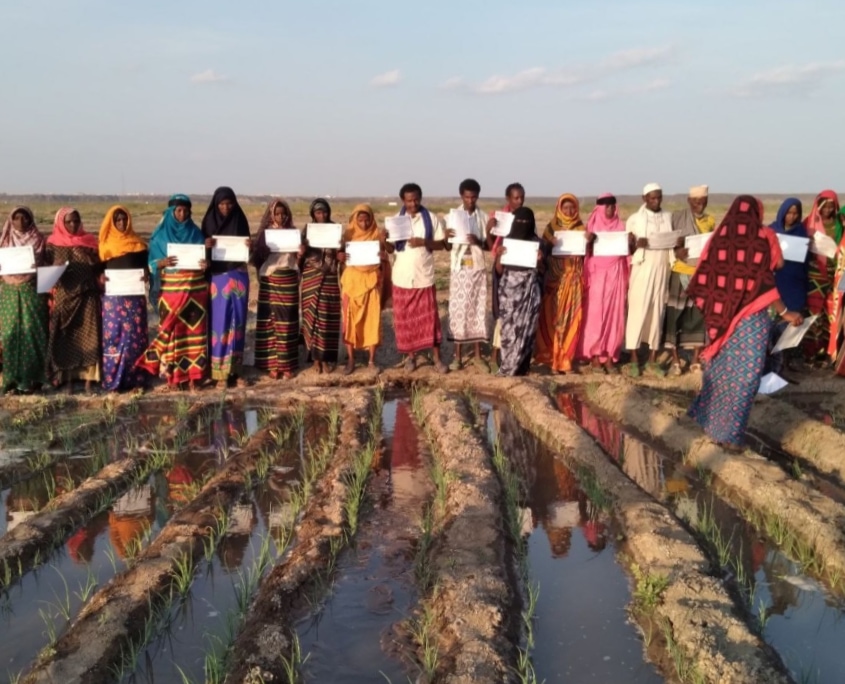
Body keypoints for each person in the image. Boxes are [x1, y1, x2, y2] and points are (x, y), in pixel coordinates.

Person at [687, 195, 802, 452]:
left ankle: (715, 429)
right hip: (752, 320)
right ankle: (728, 433)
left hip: (722, 320)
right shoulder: (763, 238)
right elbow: (772, 274)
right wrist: (785, 313)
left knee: (721, 374)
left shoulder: (719, 239)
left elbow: (703, 275)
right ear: (758, 214)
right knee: (747, 377)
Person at [137, 194, 208, 391]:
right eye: (178, 210)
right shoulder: (159, 237)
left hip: (195, 293)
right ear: (170, 212)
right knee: (172, 334)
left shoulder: (196, 233)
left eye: (186, 210)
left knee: (193, 333)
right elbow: (151, 265)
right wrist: (161, 263)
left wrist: (205, 264)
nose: (182, 213)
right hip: (170, 293)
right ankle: (174, 377)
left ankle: (194, 376)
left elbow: (203, 262)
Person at [384, 183, 448, 373]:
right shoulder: (395, 220)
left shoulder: (431, 219)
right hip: (402, 278)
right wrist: (383, 240)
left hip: (424, 278)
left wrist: (423, 242)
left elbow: (441, 245)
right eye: (409, 200)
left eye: (416, 199)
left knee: (430, 320)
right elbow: (390, 249)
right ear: (403, 201)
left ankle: (437, 359)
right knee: (406, 321)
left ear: (421, 197)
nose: (413, 203)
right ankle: (411, 358)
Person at [46, 208, 102, 393]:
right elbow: (46, 273)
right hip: (64, 296)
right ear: (61, 223)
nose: (73, 225)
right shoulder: (52, 245)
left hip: (87, 296)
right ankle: (67, 379)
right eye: (68, 222)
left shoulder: (89, 242)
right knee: (66, 338)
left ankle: (89, 380)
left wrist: (91, 261)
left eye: (76, 221)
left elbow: (99, 268)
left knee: (89, 336)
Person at [201, 187, 251, 387]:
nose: (225, 207)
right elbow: (198, 254)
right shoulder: (208, 223)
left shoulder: (241, 221)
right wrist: (205, 247)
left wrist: (250, 246)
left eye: (229, 203)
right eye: (221, 203)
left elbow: (249, 255)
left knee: (237, 324)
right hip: (217, 278)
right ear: (215, 204)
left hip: (239, 276)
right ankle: (219, 373)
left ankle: (236, 372)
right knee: (219, 325)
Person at [251, 199, 305, 380]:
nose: (281, 217)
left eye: (284, 214)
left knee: (287, 323)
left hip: (289, 279)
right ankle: (272, 365)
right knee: (270, 322)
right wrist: (262, 250)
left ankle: (287, 364)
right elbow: (256, 259)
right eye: (277, 214)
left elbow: (297, 262)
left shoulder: (293, 233)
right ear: (271, 214)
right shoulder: (264, 235)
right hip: (270, 279)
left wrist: (300, 254)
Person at [665, 185, 716, 374]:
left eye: (703, 201)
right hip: (680, 272)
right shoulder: (676, 218)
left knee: (698, 317)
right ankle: (675, 361)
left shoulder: (710, 221)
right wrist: (676, 249)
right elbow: (668, 241)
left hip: (700, 274)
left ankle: (695, 360)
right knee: (674, 317)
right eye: (696, 201)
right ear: (689, 201)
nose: (699, 205)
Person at [625, 183, 674, 377]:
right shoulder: (634, 220)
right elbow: (627, 248)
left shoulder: (668, 217)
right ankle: (634, 359)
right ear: (644, 198)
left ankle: (653, 359)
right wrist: (636, 244)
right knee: (638, 312)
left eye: (659, 198)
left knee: (657, 314)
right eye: (652, 198)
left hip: (662, 268)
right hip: (642, 269)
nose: (656, 201)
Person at [98, 206, 149, 392]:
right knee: (114, 338)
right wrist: (101, 278)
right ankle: (114, 380)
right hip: (114, 301)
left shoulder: (139, 245)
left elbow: (146, 269)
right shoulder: (105, 247)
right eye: (117, 220)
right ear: (111, 222)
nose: (121, 223)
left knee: (135, 338)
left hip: (135, 300)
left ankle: (137, 379)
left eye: (124, 219)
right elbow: (99, 270)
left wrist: (146, 275)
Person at [0, 207, 49, 394]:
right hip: (10, 293)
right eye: (16, 218)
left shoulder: (38, 240)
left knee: (33, 334)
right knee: (11, 334)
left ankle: (33, 379)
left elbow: (45, 266)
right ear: (10, 220)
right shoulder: (4, 241)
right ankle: (12, 379)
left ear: (31, 220)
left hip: (32, 292)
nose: (20, 221)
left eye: (24, 217)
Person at [535, 193, 585, 374]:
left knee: (572, 320)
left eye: (572, 207)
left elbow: (586, 256)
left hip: (573, 283)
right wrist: (550, 244)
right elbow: (542, 254)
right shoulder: (550, 229)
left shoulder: (581, 229)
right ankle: (554, 360)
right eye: (565, 207)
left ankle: (566, 360)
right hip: (555, 283)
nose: (569, 211)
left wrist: (588, 243)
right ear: (559, 208)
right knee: (556, 322)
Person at [580, 194, 628, 374]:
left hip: (615, 274)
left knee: (614, 316)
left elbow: (626, 254)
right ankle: (594, 356)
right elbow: (584, 253)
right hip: (597, 275)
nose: (609, 210)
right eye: (605, 206)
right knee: (595, 316)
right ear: (599, 208)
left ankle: (609, 356)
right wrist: (588, 242)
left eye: (612, 206)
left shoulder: (621, 226)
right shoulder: (591, 227)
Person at [445, 179, 489, 371]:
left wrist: (478, 240)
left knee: (477, 309)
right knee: (458, 310)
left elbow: (489, 245)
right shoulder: (452, 217)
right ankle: (458, 356)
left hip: (477, 268)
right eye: (467, 196)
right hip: (459, 269)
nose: (470, 200)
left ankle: (478, 357)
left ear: (477, 196)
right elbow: (447, 246)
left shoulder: (484, 218)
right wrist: (446, 236)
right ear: (461, 196)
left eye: (473, 197)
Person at [494, 207, 544, 376]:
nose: (523, 225)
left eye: (527, 223)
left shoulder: (538, 242)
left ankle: (523, 366)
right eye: (520, 222)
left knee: (528, 329)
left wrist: (539, 261)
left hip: (530, 291)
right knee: (509, 328)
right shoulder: (506, 242)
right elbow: (500, 271)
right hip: (509, 292)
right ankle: (507, 364)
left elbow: (544, 271)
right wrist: (499, 256)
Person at [340, 203, 386, 374]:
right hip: (351, 284)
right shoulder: (348, 235)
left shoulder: (377, 235)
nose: (364, 224)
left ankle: (372, 361)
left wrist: (383, 252)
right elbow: (341, 257)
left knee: (372, 321)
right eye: (360, 220)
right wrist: (341, 256)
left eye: (367, 220)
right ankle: (351, 360)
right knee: (349, 323)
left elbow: (385, 260)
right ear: (355, 220)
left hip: (371, 283)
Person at [768, 198, 809, 373]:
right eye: (789, 213)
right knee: (775, 320)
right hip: (776, 280)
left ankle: (791, 358)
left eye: (795, 213)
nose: (791, 217)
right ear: (782, 212)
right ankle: (774, 359)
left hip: (795, 281)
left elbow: (806, 260)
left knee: (795, 318)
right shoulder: (771, 230)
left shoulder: (802, 232)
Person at [301, 198, 341, 374]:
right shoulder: (307, 231)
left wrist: (341, 252)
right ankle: (316, 359)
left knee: (327, 318)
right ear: (313, 214)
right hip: (311, 277)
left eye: (324, 212)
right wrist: (302, 249)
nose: (322, 215)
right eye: (318, 212)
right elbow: (300, 257)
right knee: (312, 318)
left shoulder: (336, 230)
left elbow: (341, 254)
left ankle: (326, 359)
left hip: (330, 278)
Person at [487, 183, 525, 369]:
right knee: (503, 314)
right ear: (508, 199)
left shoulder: (525, 216)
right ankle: (495, 356)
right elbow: (490, 245)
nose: (519, 201)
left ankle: (513, 355)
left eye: (521, 197)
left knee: (518, 315)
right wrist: (489, 230)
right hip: (503, 267)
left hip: (521, 270)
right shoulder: (499, 218)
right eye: (516, 198)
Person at [802, 190, 842, 365]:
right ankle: (810, 351)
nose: (827, 209)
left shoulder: (839, 224)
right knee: (813, 312)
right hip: (814, 274)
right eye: (824, 206)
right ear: (817, 206)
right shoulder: (808, 224)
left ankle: (829, 350)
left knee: (831, 313)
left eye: (831, 206)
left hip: (835, 275)